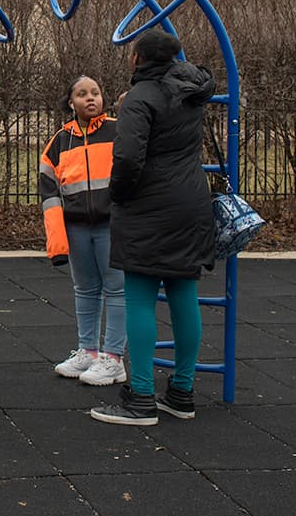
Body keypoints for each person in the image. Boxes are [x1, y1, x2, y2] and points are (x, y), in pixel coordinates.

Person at [90, 29, 216, 426]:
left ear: (139, 58)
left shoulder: (141, 97)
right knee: (183, 290)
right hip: (191, 199)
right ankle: (181, 391)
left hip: (148, 203)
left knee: (140, 296)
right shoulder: (191, 91)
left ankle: (141, 396)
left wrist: (118, 195)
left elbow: (128, 157)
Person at [40, 76, 126, 386]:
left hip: (110, 222)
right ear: (70, 102)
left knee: (116, 287)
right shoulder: (62, 139)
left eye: (95, 93)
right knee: (85, 288)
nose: (90, 98)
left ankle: (114, 357)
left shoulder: (118, 130)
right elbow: (48, 186)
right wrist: (57, 236)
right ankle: (89, 350)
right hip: (77, 225)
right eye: (82, 94)